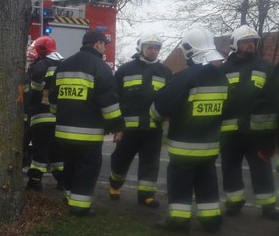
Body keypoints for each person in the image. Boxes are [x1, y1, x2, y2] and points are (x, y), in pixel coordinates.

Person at [150, 27, 228, 233]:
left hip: (184, 149)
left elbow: (161, 106)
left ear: (188, 50)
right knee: (207, 183)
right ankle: (211, 220)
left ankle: (178, 220)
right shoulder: (221, 78)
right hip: (210, 148)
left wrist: (156, 118)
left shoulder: (184, 78)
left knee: (180, 185)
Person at [49, 29, 124, 216]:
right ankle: (80, 207)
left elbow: (52, 98)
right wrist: (117, 127)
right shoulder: (101, 68)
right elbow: (109, 103)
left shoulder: (64, 65)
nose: (105, 48)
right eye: (104, 44)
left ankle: (68, 197)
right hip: (88, 134)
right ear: (97, 44)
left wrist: (59, 115)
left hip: (63, 131)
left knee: (70, 165)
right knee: (86, 168)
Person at [218, 25, 278, 219]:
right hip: (230, 133)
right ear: (235, 44)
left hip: (257, 133)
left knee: (262, 168)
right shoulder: (223, 69)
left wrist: (271, 138)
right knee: (230, 167)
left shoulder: (266, 68)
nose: (250, 44)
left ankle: (268, 206)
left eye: (253, 41)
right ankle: (234, 202)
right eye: (245, 41)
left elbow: (273, 100)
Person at [109, 33, 172, 208]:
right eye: (150, 47)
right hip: (128, 129)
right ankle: (114, 185)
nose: (153, 51)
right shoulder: (125, 70)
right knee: (120, 159)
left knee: (151, 163)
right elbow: (115, 98)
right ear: (141, 48)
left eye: (156, 48)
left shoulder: (165, 72)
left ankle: (146, 195)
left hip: (153, 129)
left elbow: (168, 99)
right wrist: (116, 126)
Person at [24, 36, 64, 191]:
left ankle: (34, 182)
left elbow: (36, 87)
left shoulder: (42, 64)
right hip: (60, 116)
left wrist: (36, 90)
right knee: (57, 152)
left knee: (39, 151)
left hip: (42, 115)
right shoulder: (62, 63)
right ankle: (63, 180)